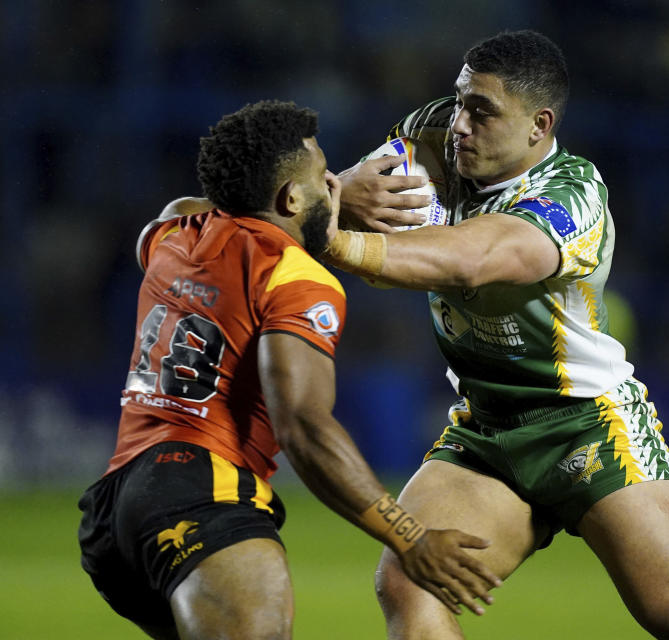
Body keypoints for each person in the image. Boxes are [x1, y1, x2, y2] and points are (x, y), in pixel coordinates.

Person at [327, 31, 669, 639]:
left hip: (584, 424)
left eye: (482, 111)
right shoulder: (436, 132)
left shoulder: (573, 194)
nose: (460, 123)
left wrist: (332, 237)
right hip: (485, 426)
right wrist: (343, 187)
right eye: (460, 101)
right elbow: (367, 195)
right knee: (410, 582)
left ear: (539, 125)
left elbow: (477, 260)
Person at [77, 100, 501, 640]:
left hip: (116, 510)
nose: (334, 178)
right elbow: (303, 427)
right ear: (291, 197)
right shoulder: (297, 278)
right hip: (202, 493)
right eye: (323, 173)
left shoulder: (176, 231)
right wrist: (409, 537)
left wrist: (312, 198)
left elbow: (217, 204)